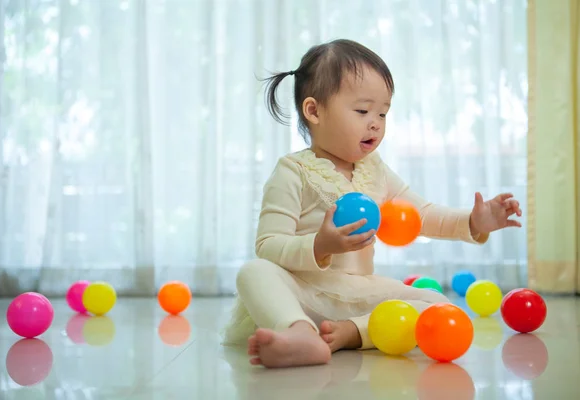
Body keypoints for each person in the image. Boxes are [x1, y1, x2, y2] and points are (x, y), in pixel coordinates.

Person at [221, 39, 522, 369]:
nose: (376, 122)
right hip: (302, 292)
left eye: (383, 112)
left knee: (437, 303)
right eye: (363, 111)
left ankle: (352, 333)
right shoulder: (293, 171)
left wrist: (474, 222)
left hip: (358, 294)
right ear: (314, 111)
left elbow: (424, 216)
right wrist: (320, 246)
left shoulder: (375, 170)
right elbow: (267, 245)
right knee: (254, 272)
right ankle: (300, 333)